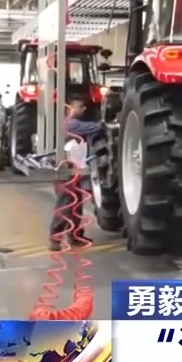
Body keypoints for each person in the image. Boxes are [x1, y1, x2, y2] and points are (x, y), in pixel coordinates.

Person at [51, 98, 105, 250]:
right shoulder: (70, 123)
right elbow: (93, 128)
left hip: (73, 170)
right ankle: (54, 239)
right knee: (65, 204)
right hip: (65, 170)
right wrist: (105, 125)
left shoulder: (71, 122)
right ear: (71, 108)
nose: (84, 109)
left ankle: (74, 236)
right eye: (81, 106)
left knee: (75, 204)